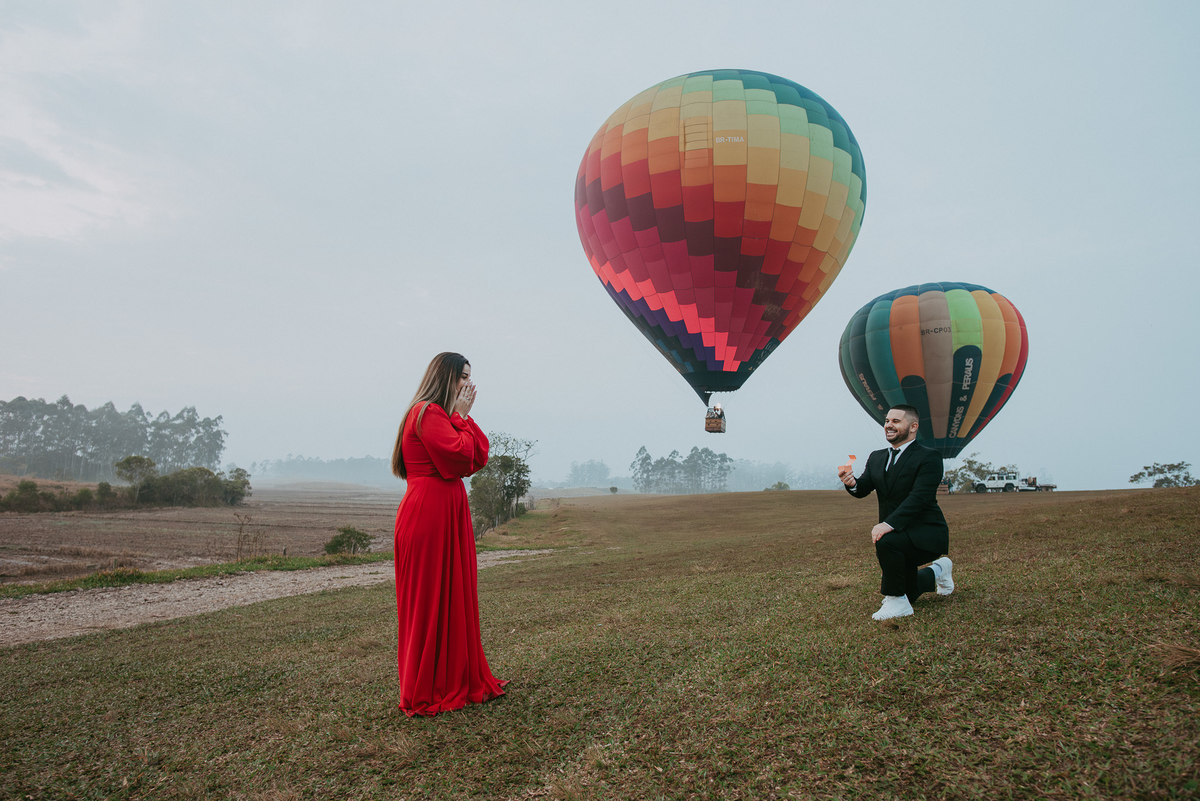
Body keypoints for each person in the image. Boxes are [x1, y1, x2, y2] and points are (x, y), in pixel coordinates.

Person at [391, 352, 507, 715]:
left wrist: (460, 419)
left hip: (447, 513)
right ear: (446, 377)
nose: (468, 385)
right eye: (463, 377)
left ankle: (455, 677)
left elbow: (477, 456)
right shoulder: (426, 413)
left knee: (454, 595)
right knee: (429, 601)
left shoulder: (442, 417)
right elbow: (457, 457)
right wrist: (460, 418)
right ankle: (426, 687)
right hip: (428, 516)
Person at [837, 404, 954, 621]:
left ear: (913, 426)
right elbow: (863, 489)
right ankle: (939, 570)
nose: (889, 425)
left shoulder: (929, 457)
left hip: (925, 533)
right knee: (910, 590)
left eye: (896, 421)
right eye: (887, 421)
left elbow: (920, 497)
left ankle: (895, 600)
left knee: (886, 542)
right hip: (898, 535)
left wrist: (888, 524)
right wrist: (851, 483)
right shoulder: (876, 457)